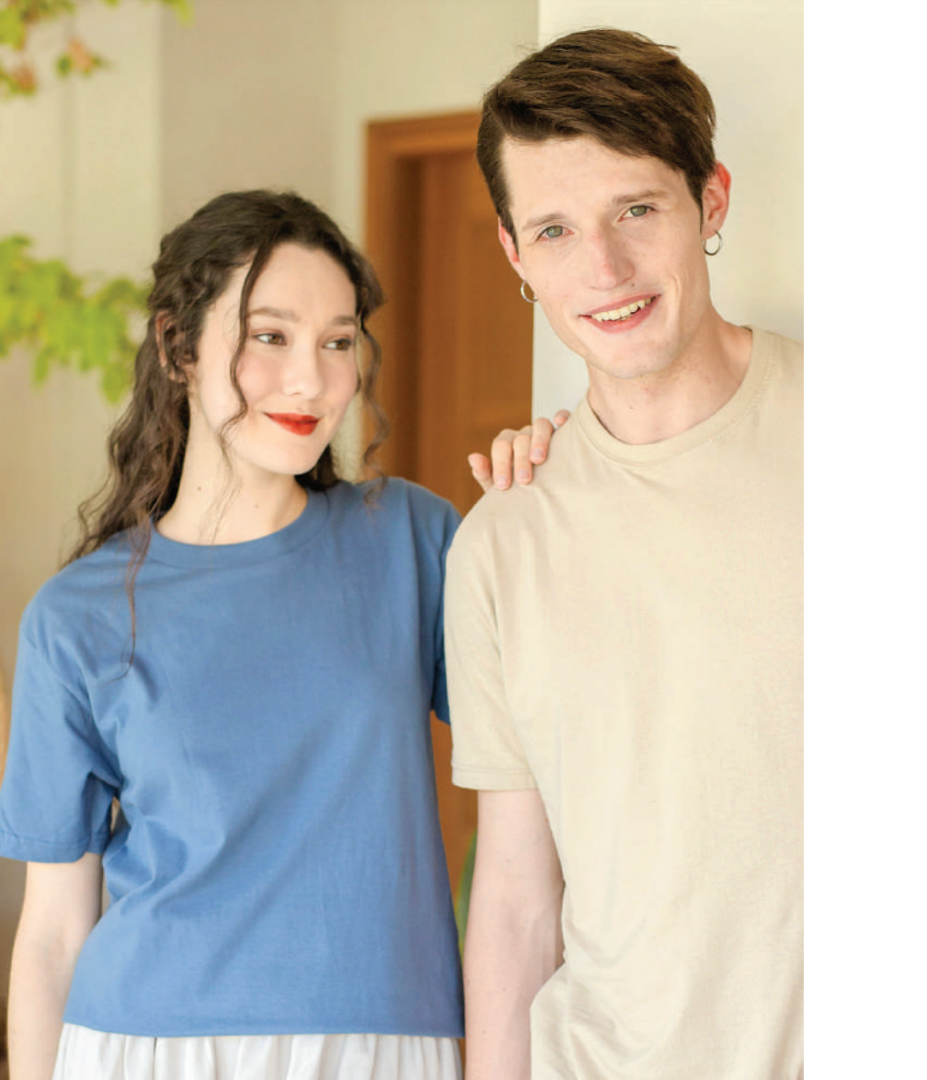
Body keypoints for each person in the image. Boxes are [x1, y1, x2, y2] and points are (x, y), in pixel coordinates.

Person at [0, 189, 553, 1080]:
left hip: (384, 1042)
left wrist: (551, 506)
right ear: (178, 348)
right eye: (270, 336)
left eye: (338, 342)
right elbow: (55, 930)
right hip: (145, 1047)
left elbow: (563, 735)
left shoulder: (413, 542)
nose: (312, 380)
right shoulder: (77, 614)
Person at [445, 28, 803, 1080]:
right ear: (515, 254)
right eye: (555, 230)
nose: (602, 270)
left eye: (636, 210)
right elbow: (515, 901)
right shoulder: (501, 539)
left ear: (711, 202)